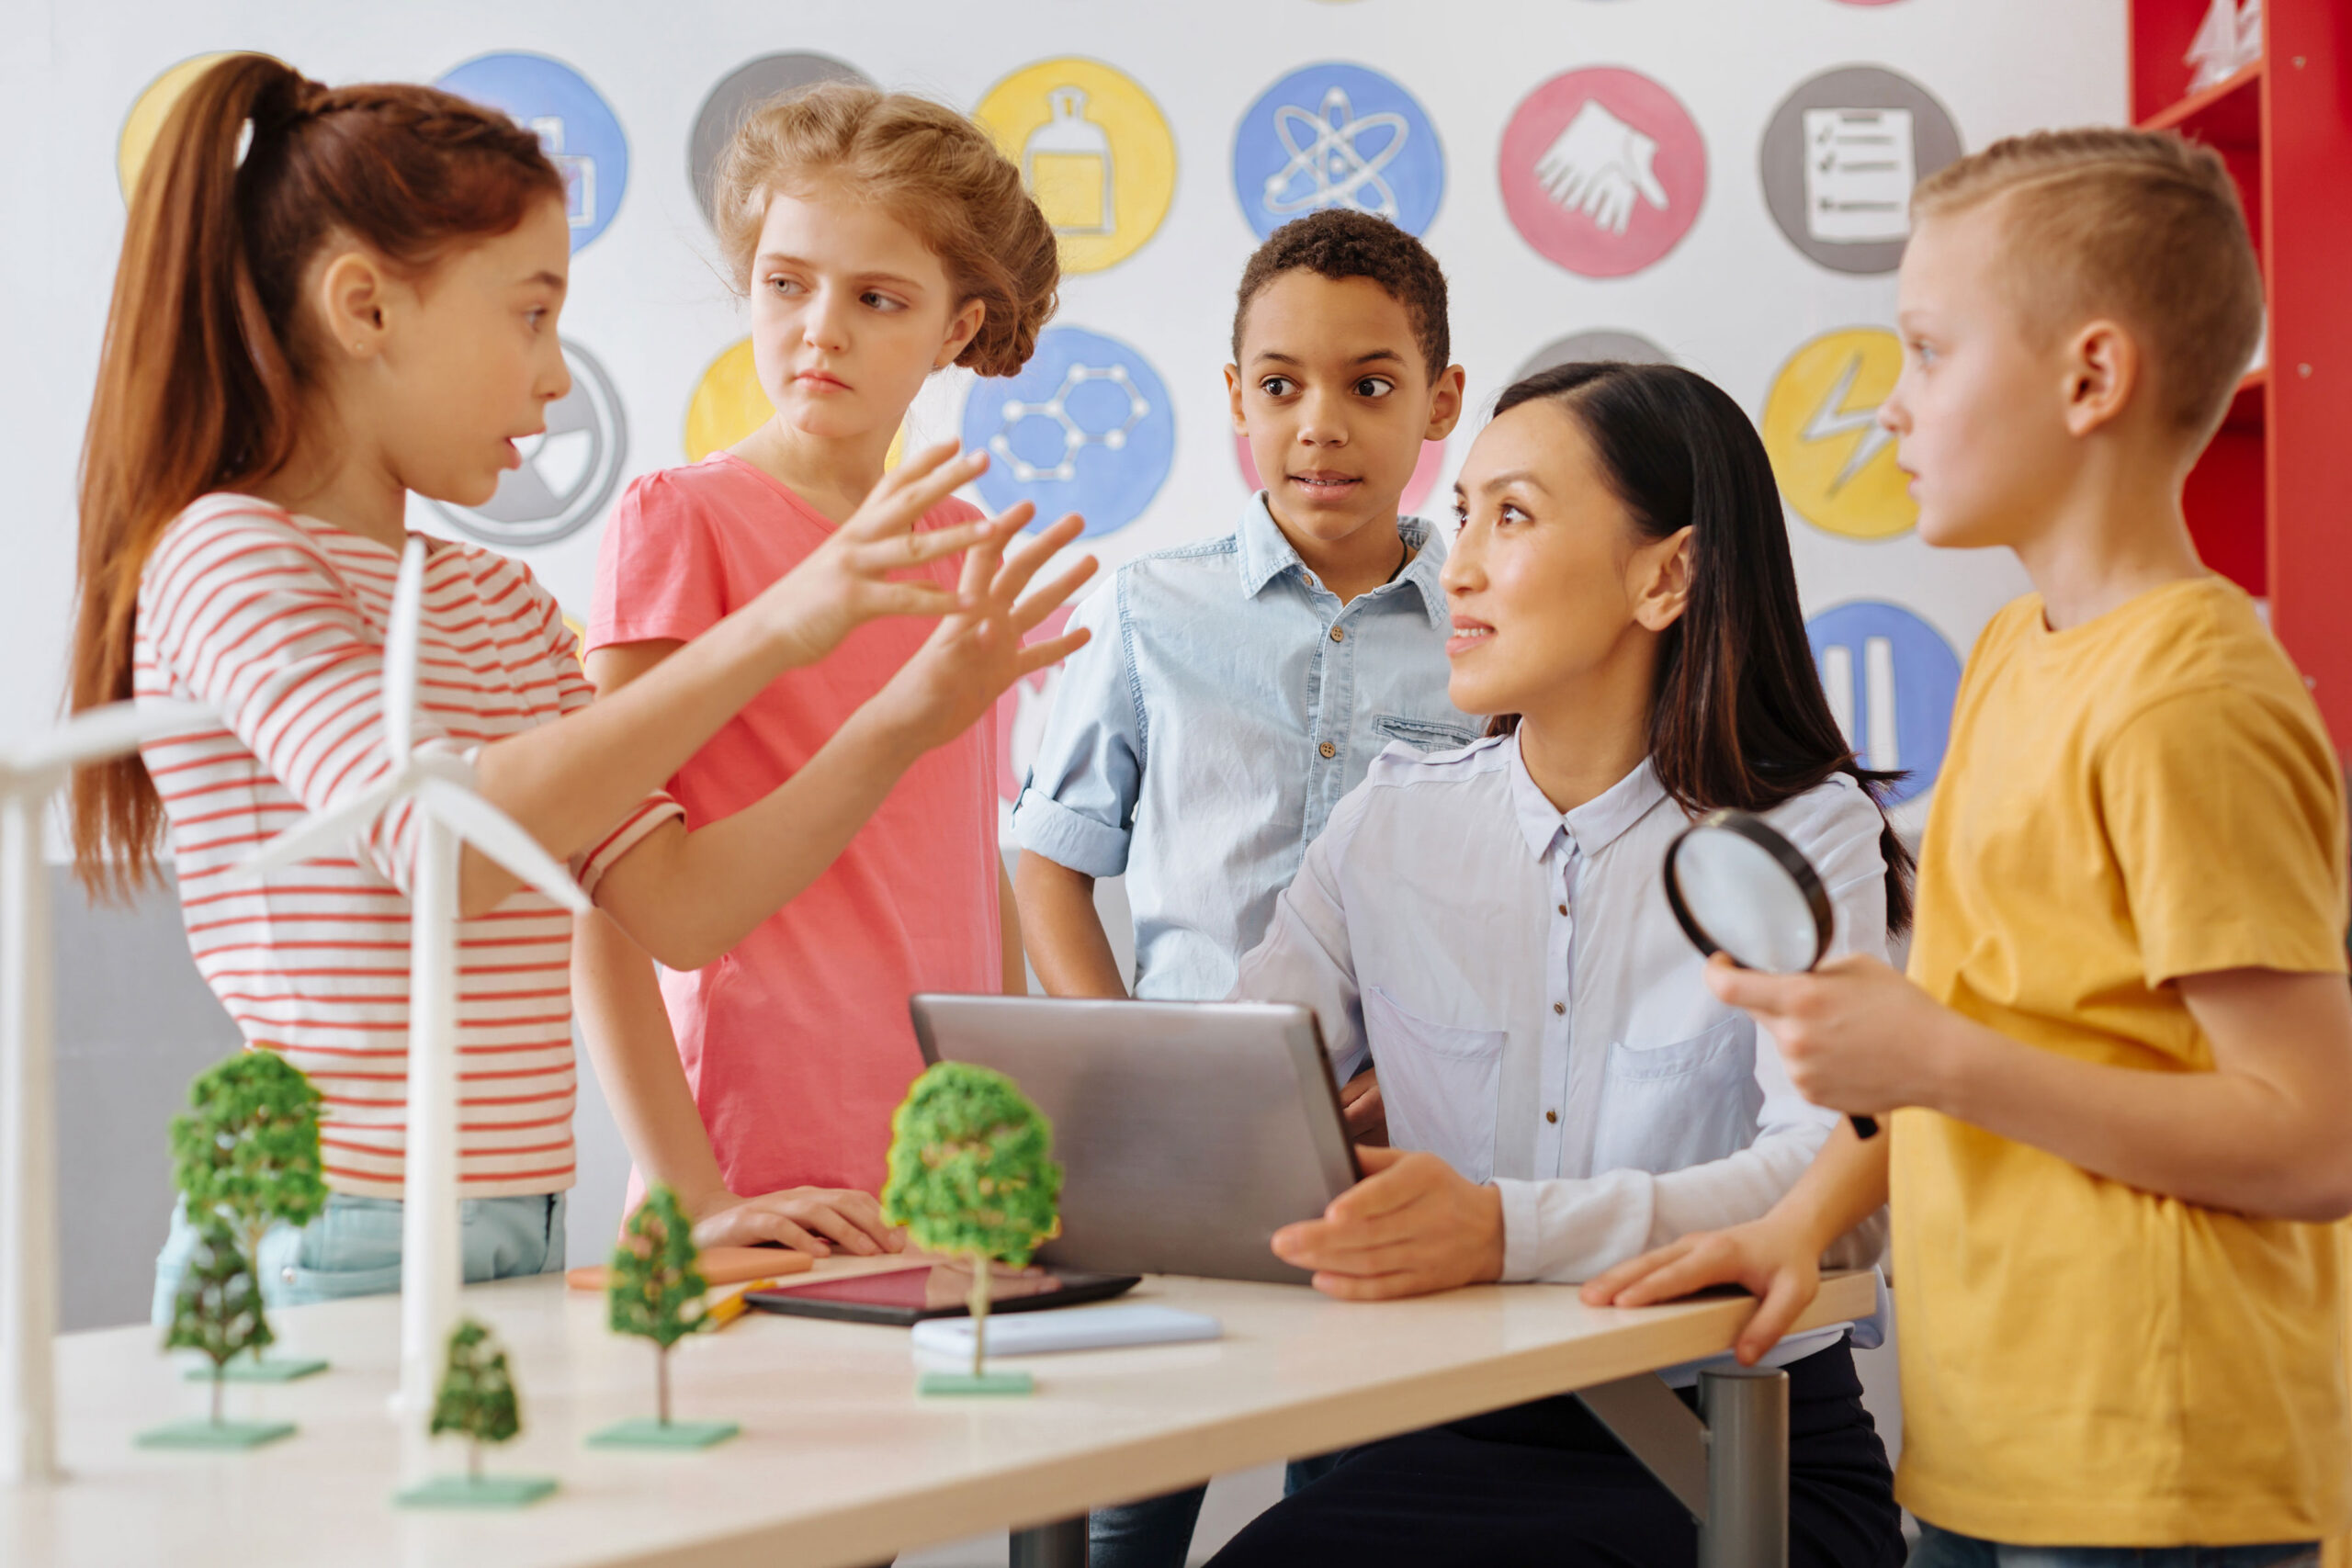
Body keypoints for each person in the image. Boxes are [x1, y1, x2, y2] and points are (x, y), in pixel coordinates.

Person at [63, 55, 1088, 1314]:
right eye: (532, 317)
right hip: (333, 1222)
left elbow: (674, 903)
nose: (557, 380)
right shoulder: (229, 550)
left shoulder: (494, 602)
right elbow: (440, 843)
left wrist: (901, 714)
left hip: (517, 1217)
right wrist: (785, 628)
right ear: (366, 309)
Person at [1586, 130, 2352, 1562]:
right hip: (1996, 1431)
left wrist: (1940, 1057)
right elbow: (1965, 1026)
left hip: (2156, 1455)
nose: (1889, 408)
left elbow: (2315, 1133)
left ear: (2090, 379)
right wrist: (1801, 1219)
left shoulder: (2193, 698)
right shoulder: (2014, 650)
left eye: (1927, 353)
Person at [1207, 361, 1910, 1568]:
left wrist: (1501, 1228)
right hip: (1449, 1441)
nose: (1459, 564)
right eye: (1465, 511)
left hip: (1743, 1450)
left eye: (1514, 515)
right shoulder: (1390, 825)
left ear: (1667, 574)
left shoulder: (1802, 832)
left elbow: (1828, 1176)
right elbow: (1225, 1091)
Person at [1010, 209, 1476, 1568]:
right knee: (1123, 1500)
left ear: (1440, 400)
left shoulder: (1487, 634)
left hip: (1384, 1147)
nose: (1320, 425)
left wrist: (1415, 1077)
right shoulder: (1153, 607)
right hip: (1168, 1154)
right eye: (1281, 386)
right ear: (1234, 399)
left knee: (1343, 1498)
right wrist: (1122, 1060)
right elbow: (1052, 858)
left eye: (1370, 385)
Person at [577, 84, 1075, 1244]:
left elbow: (961, 866)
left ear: (956, 329)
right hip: (758, 1182)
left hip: (942, 1186)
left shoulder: (958, 556)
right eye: (786, 282)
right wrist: (697, 1199)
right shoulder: (682, 523)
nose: (820, 329)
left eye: (878, 298)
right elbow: (599, 899)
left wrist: (993, 1116)